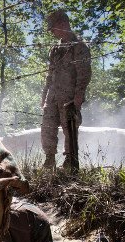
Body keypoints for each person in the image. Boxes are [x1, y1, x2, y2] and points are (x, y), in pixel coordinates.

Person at [40, 9, 91, 170]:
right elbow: (50, 74)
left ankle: (70, 161)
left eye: (53, 28)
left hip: (69, 97)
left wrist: (78, 97)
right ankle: (49, 160)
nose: (52, 32)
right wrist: (44, 94)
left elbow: (84, 74)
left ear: (63, 24)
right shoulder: (55, 49)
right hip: (53, 96)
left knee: (69, 128)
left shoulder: (79, 47)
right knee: (47, 126)